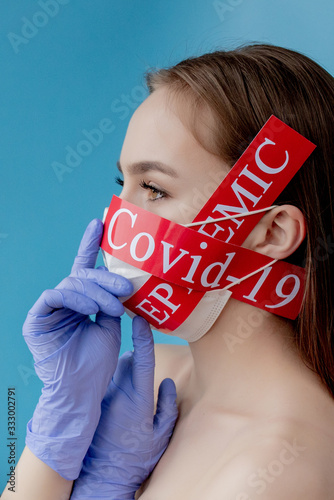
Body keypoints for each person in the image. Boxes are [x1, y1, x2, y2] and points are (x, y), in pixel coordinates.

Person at [3, 43, 334, 499]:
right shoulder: (150, 382)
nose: (118, 219)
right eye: (125, 185)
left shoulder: (275, 470)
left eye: (155, 189)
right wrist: (55, 434)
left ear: (272, 232)